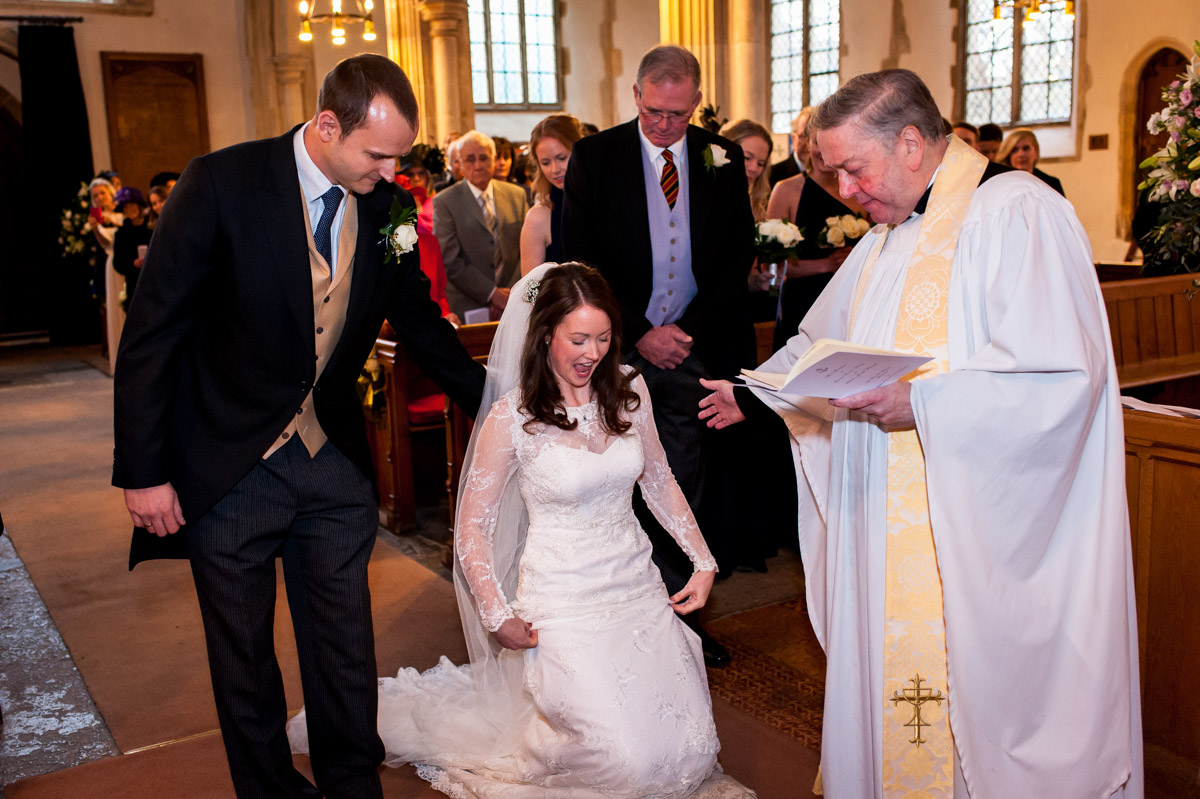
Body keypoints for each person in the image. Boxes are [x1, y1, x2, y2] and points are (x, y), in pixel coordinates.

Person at [698, 68, 1141, 798]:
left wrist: (926, 405)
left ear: (909, 143)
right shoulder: (885, 241)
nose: (842, 188)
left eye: (851, 167)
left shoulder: (1017, 212)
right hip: (889, 524)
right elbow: (823, 344)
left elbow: (1064, 378)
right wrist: (761, 392)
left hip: (975, 534)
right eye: (832, 171)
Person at [112, 54, 487, 799]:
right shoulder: (221, 184)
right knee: (244, 655)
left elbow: (416, 316)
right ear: (325, 126)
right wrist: (143, 470)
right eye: (375, 154)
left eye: (398, 156)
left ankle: (352, 785)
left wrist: (500, 398)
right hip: (226, 465)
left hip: (332, 461)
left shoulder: (382, 205)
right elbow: (153, 333)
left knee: (344, 644)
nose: (388, 172)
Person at [291, 263, 750, 798]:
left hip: (635, 592)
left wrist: (702, 559)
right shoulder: (513, 416)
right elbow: (473, 527)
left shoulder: (629, 389)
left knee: (688, 752)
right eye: (578, 339)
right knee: (620, 761)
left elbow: (660, 480)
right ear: (545, 334)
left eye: (603, 338)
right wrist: (496, 612)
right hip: (561, 604)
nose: (592, 353)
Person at [563, 44, 755, 665]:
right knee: (607, 481)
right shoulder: (596, 156)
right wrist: (640, 328)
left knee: (680, 483)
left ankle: (683, 622)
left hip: (693, 350)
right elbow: (579, 255)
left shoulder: (720, 157)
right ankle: (616, 619)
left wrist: (685, 331)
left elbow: (734, 258)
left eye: (678, 114)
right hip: (615, 348)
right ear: (637, 96)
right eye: (655, 112)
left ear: (695, 101)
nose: (667, 125)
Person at [765, 132, 866, 350]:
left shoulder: (859, 190)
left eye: (832, 143)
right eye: (817, 143)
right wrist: (825, 265)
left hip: (847, 305)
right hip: (801, 305)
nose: (822, 151)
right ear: (807, 143)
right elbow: (771, 266)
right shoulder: (786, 190)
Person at [433, 130, 531, 320]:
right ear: (459, 163)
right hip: (468, 303)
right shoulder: (445, 201)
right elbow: (450, 260)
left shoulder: (517, 195)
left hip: (514, 300)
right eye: (470, 159)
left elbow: (526, 249)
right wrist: (492, 294)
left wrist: (510, 294)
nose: (478, 165)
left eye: (484, 158)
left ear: (493, 159)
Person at [519, 113, 584, 275]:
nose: (555, 170)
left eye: (562, 158)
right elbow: (530, 290)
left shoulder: (605, 201)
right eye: (546, 163)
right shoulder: (538, 216)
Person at [111, 187, 153, 310]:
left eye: (131, 205)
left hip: (155, 279)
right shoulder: (122, 233)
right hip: (135, 283)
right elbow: (118, 264)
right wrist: (133, 264)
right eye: (125, 207)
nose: (129, 209)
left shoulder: (152, 227)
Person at [997, 126, 1065, 195]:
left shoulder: (1051, 184)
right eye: (1015, 150)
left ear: (1036, 152)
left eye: (1026, 148)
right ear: (1008, 155)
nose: (1021, 154)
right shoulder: (1001, 184)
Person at [769, 106, 813, 186]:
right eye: (803, 136)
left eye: (813, 138)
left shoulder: (827, 174)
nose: (808, 144)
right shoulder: (774, 173)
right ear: (793, 137)